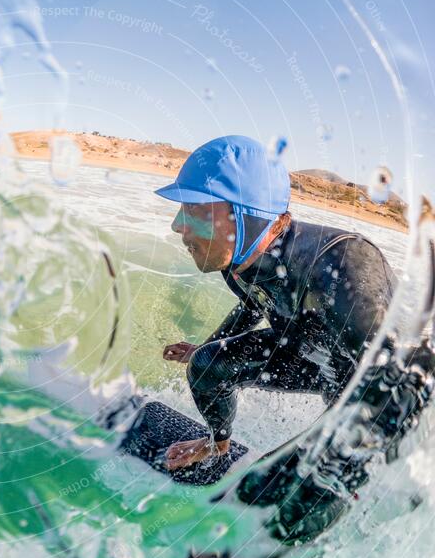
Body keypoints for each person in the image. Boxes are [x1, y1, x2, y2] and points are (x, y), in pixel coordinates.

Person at [153, 135, 397, 471]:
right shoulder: (238, 259)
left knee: (273, 481)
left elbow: (387, 388)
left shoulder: (345, 267)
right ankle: (216, 445)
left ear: (245, 216)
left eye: (195, 210)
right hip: (303, 354)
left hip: (361, 386)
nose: (177, 224)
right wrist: (205, 349)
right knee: (207, 365)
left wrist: (289, 468)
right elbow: (256, 303)